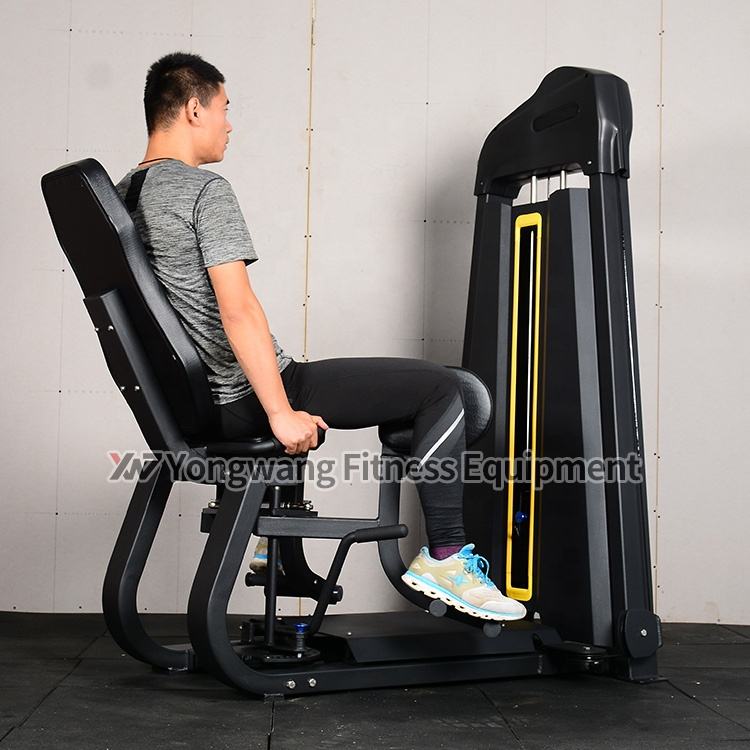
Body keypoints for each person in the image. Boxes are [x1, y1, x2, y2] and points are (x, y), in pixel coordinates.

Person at [115, 51, 525, 622]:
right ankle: (446, 558)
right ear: (193, 109)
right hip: (243, 395)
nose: (230, 124)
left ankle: (274, 547)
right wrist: (280, 413)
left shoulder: (122, 197)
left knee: (346, 387)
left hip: (191, 404)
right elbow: (239, 311)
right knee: (442, 389)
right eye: (225, 109)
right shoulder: (202, 191)